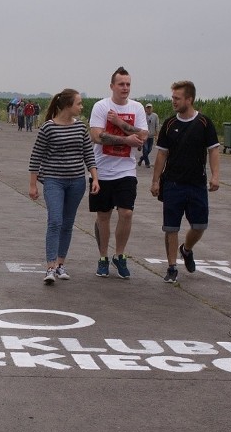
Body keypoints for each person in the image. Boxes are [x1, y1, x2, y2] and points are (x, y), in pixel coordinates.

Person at [149, 81, 220, 284]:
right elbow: (161, 155)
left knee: (199, 226)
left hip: (197, 184)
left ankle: (186, 249)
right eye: (172, 98)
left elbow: (213, 150)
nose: (173, 102)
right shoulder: (170, 124)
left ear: (189, 99)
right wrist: (156, 181)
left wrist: (215, 176)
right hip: (172, 184)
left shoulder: (204, 123)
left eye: (177, 98)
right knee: (171, 228)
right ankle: (172, 267)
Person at [28, 89, 99, 284]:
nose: (81, 107)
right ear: (68, 105)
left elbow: (88, 154)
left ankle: (60, 264)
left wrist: (95, 178)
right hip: (53, 180)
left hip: (76, 181)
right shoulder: (48, 128)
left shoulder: (80, 128)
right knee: (55, 221)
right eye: (79, 103)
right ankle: (50, 266)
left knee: (68, 224)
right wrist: (33, 185)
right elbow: (36, 157)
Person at [89, 66, 148, 279]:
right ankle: (103, 257)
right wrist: (125, 139)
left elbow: (143, 135)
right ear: (112, 86)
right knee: (103, 216)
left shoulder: (137, 108)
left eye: (128, 84)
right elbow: (96, 136)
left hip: (126, 170)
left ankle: (119, 255)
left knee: (127, 213)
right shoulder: (101, 106)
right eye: (121, 84)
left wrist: (119, 123)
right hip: (102, 170)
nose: (125, 88)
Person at [139, 103, 159, 167]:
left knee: (149, 149)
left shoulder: (155, 116)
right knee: (145, 149)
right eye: (148, 108)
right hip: (144, 135)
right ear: (145, 109)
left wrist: (157, 133)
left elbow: (157, 125)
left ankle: (141, 158)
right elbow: (140, 125)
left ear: (152, 108)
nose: (149, 109)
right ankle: (147, 163)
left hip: (151, 135)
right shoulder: (143, 116)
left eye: (150, 108)